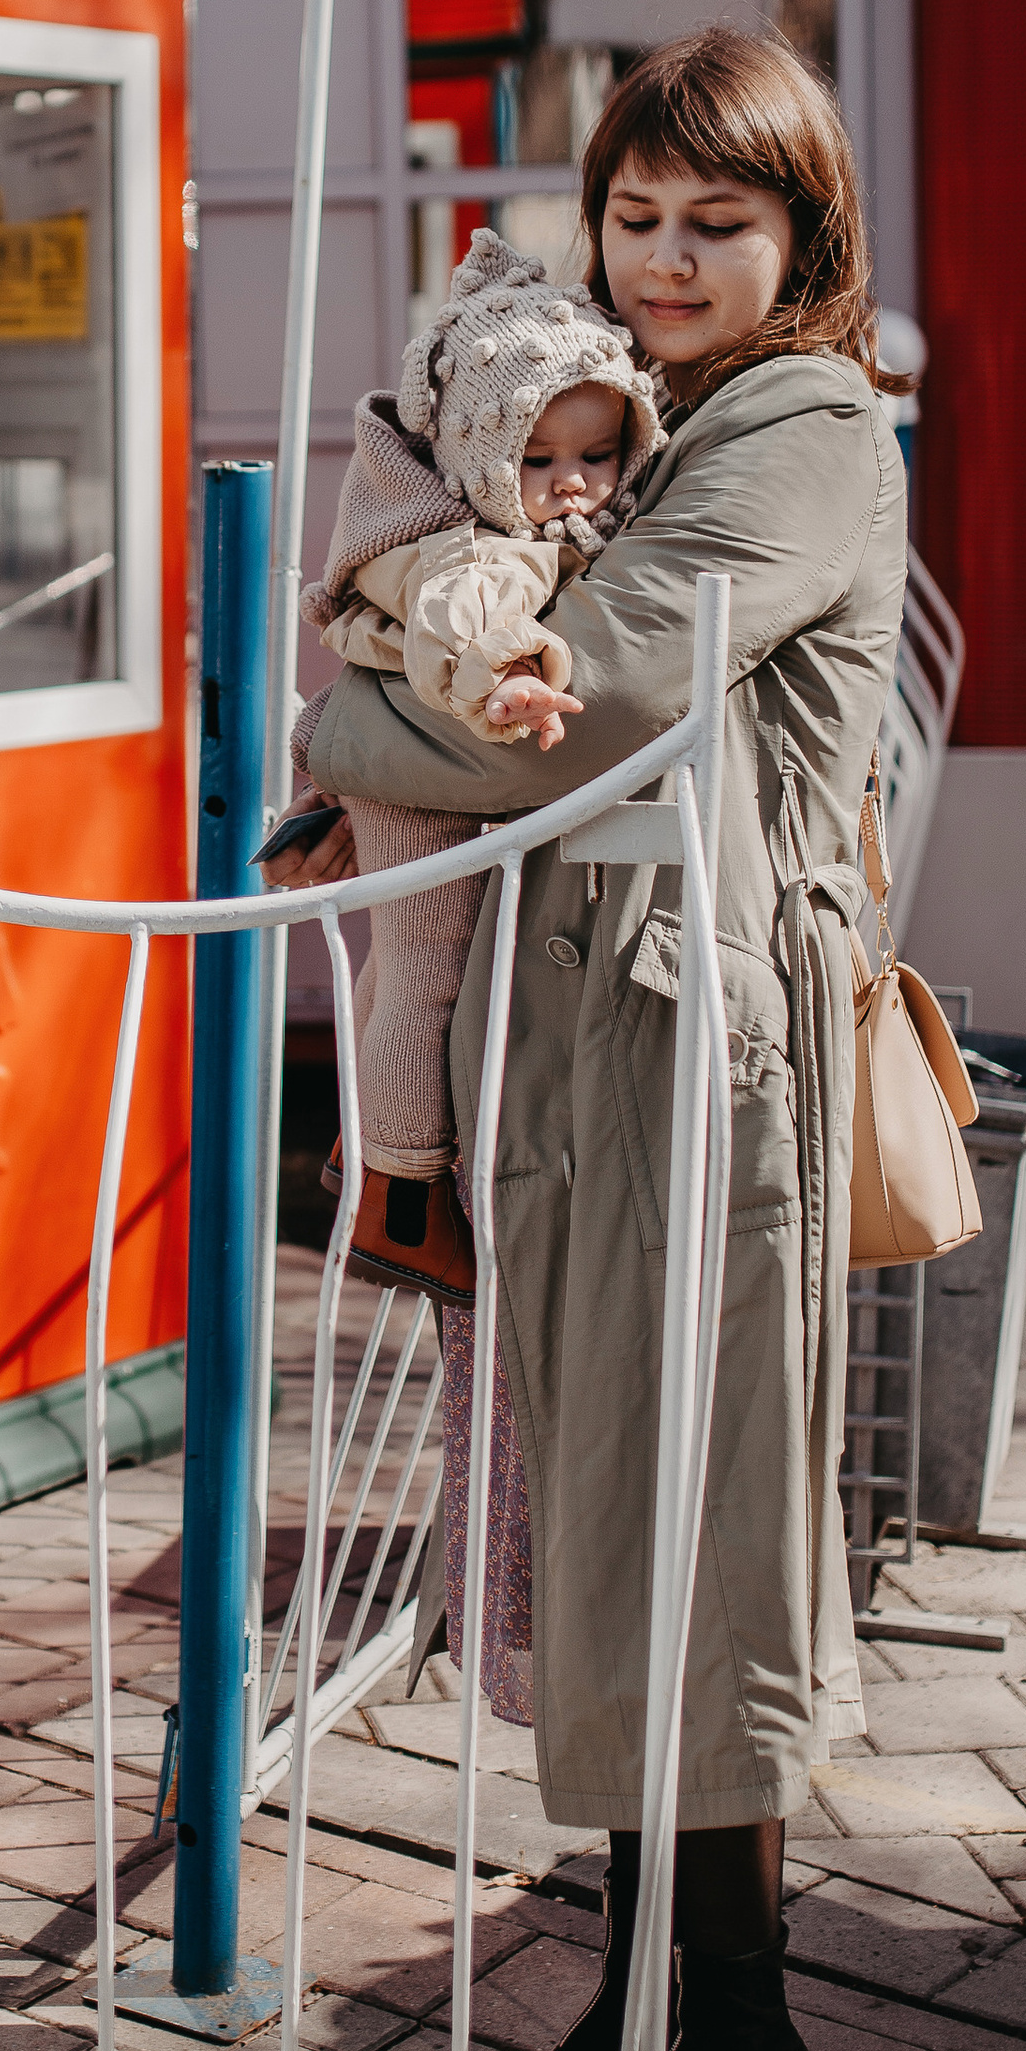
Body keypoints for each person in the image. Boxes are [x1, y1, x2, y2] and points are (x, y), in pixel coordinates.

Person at [268, 25, 907, 2051]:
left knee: (688, 1550)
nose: (656, 262)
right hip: (612, 1050)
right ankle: (698, 2041)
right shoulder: (667, 422)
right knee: (625, 1552)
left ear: (798, 237)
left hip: (697, 1062)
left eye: (711, 225)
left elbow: (574, 707)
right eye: (629, 217)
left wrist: (341, 710)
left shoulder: (798, 428)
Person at [298, 227, 663, 1305]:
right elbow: (468, 616)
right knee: (430, 970)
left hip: (405, 761)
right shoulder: (471, 542)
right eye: (537, 463)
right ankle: (402, 1206)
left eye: (596, 458)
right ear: (474, 457)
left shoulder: (500, 513)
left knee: (403, 957)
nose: (569, 487)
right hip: (424, 768)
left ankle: (365, 1146)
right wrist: (505, 681)